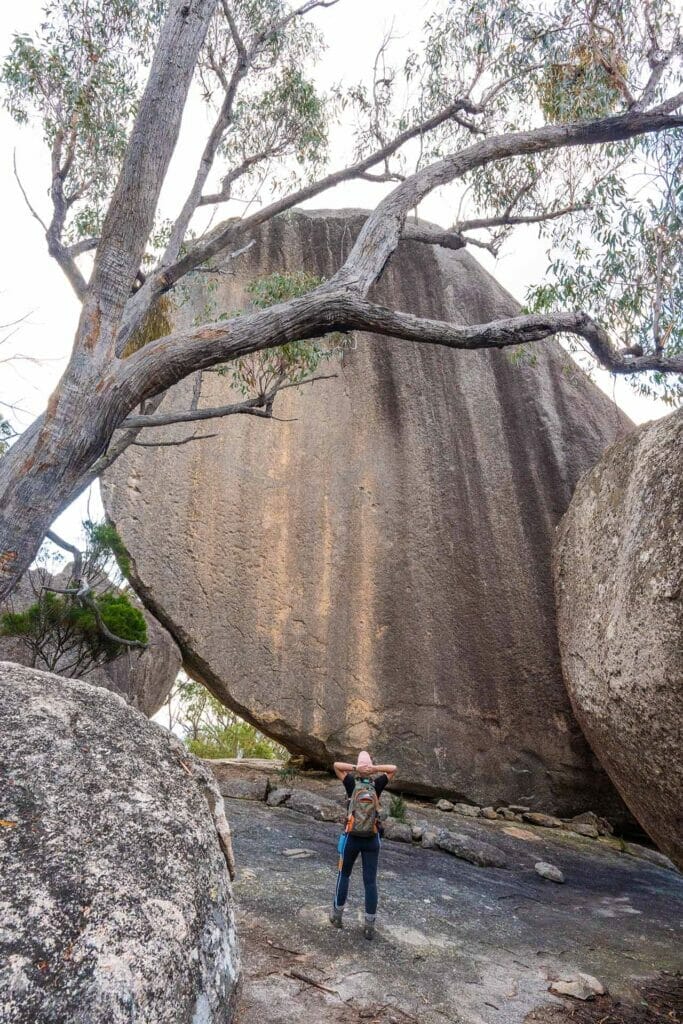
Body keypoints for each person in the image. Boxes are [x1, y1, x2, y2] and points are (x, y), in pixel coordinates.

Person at [329, 750, 397, 940]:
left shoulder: (351, 783)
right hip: (372, 839)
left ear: (359, 766)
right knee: (370, 882)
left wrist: (355, 768)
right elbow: (393, 769)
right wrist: (373, 769)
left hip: (352, 837)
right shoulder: (377, 784)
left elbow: (336, 766)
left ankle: (337, 916)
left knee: (344, 874)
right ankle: (369, 926)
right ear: (369, 766)